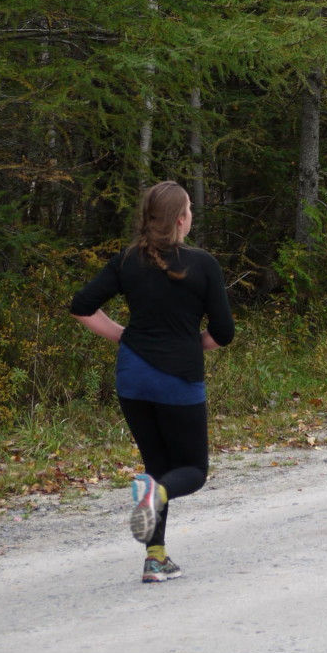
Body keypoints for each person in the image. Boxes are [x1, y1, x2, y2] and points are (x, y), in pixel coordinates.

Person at [70, 181, 235, 583]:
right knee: (191, 470)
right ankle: (156, 495)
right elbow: (224, 332)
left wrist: (125, 337)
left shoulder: (127, 261)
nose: (191, 215)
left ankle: (155, 558)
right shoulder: (203, 264)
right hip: (177, 378)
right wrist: (191, 345)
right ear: (180, 219)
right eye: (189, 209)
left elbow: (82, 307)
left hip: (133, 376)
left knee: (157, 467)